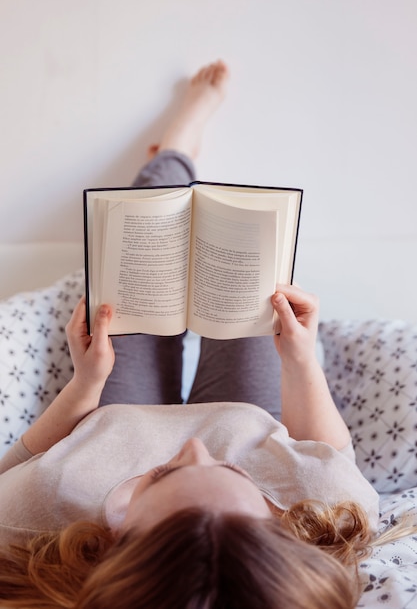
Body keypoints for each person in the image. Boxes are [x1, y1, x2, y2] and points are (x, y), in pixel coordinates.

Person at [0, 61, 380, 609]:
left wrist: (86, 383)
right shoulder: (328, 516)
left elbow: (13, 467)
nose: (195, 447)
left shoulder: (46, 512)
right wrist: (300, 361)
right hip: (245, 412)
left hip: (113, 422)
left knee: (144, 218)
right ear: (282, 528)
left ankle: (171, 151)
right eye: (230, 472)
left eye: (161, 477)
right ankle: (195, 180)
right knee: (248, 260)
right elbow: (326, 453)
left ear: (115, 542)